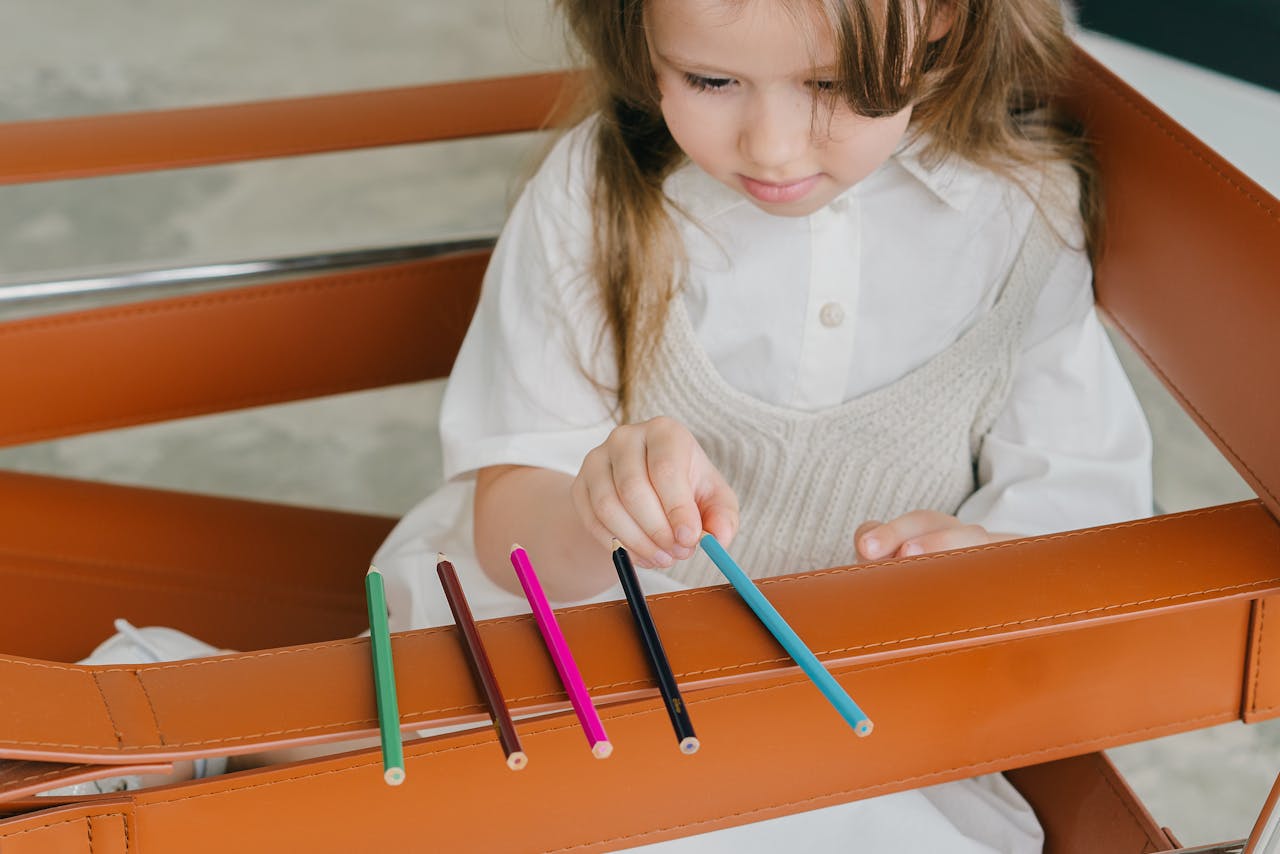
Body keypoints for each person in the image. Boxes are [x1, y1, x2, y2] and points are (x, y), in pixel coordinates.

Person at [369, 0, 1151, 850]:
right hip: (595, 653)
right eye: (710, 79)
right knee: (467, 794)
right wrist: (597, 510)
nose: (772, 146)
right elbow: (512, 525)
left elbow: (1082, 505)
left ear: (945, 19)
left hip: (856, 696)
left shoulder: (1022, 215)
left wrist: (989, 564)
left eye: (835, 84)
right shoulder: (599, 190)